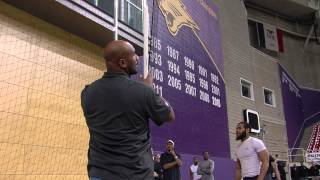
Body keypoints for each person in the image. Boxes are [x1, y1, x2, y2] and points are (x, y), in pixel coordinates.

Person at [81, 40, 175, 180]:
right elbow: (170, 115)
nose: (138, 58)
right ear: (123, 63)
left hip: (99, 174)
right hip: (135, 175)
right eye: (134, 55)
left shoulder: (87, 92)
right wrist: (150, 89)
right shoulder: (143, 92)